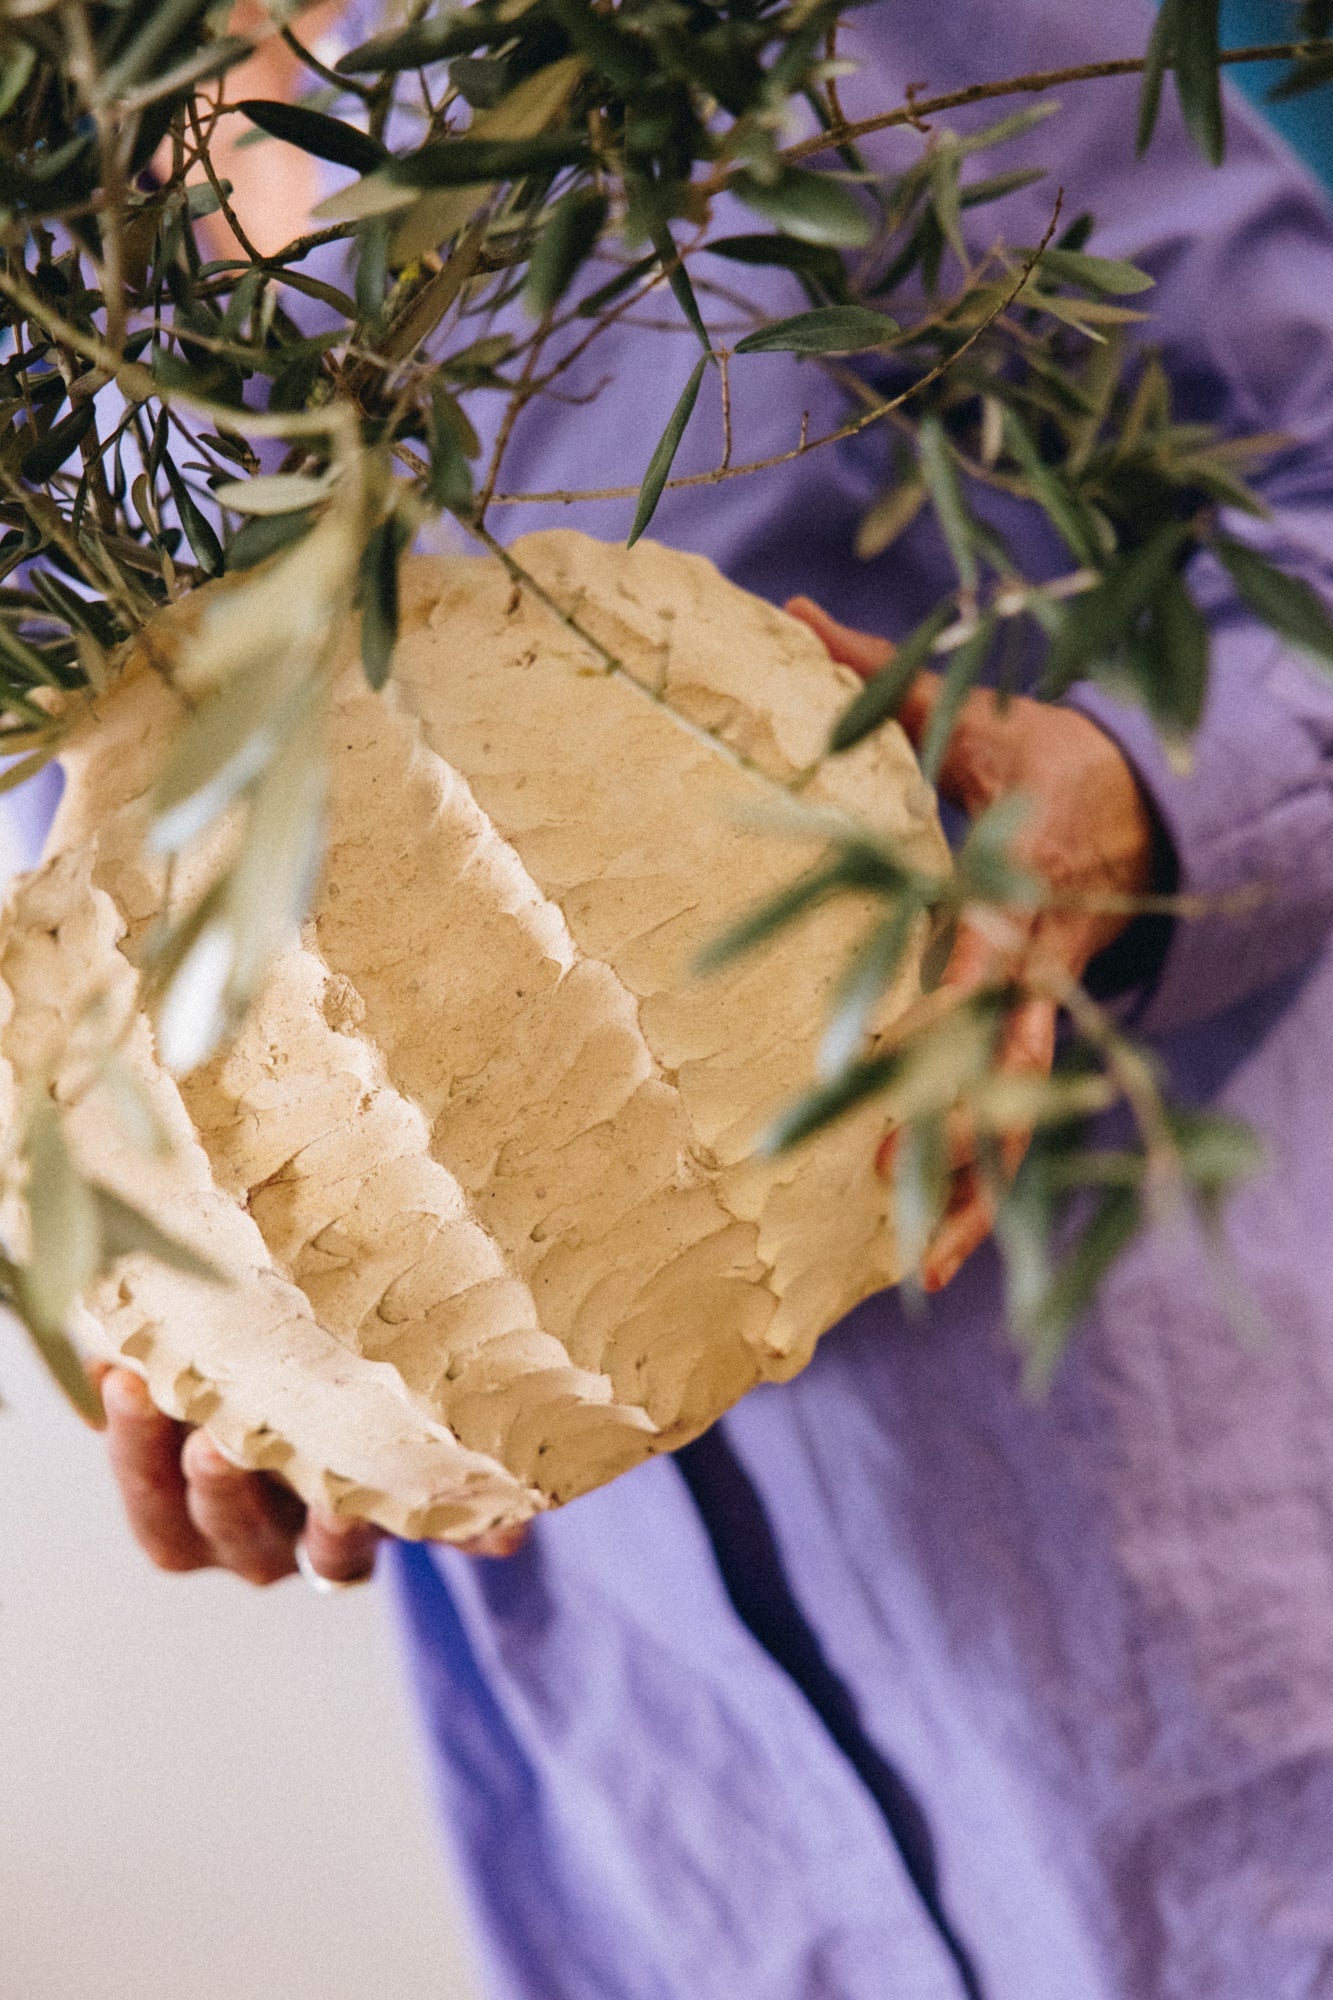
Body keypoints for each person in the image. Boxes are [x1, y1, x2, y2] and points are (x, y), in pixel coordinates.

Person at [82, 3, 1333, 1995]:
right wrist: (202, 1306)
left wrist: (1142, 797)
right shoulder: (36, 253)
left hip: (1200, 1566)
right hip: (684, 1807)